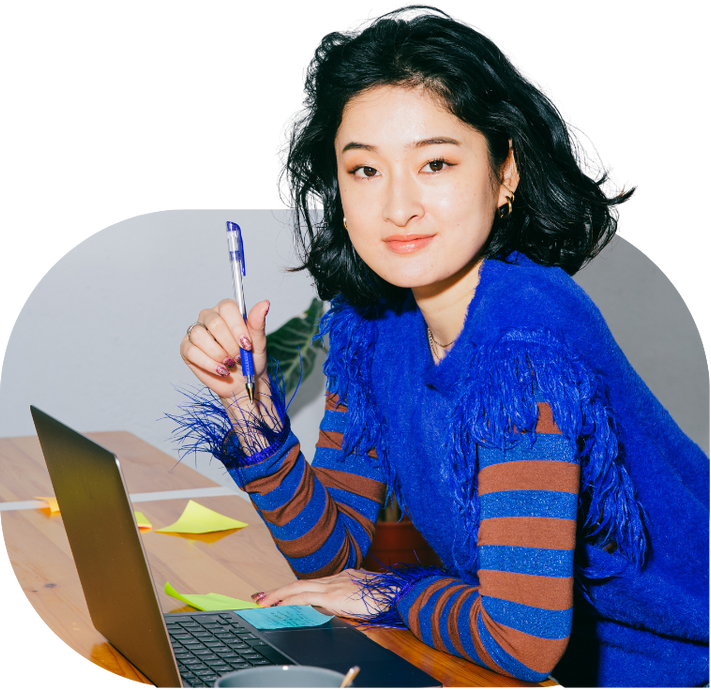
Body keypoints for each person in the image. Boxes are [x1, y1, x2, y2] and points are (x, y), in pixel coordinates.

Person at [170, 5, 711, 688]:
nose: (398, 206)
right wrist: (251, 416)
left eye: (434, 163)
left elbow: (520, 640)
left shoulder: (522, 349)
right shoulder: (373, 324)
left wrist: (387, 594)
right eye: (364, 170)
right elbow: (331, 553)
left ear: (504, 171)